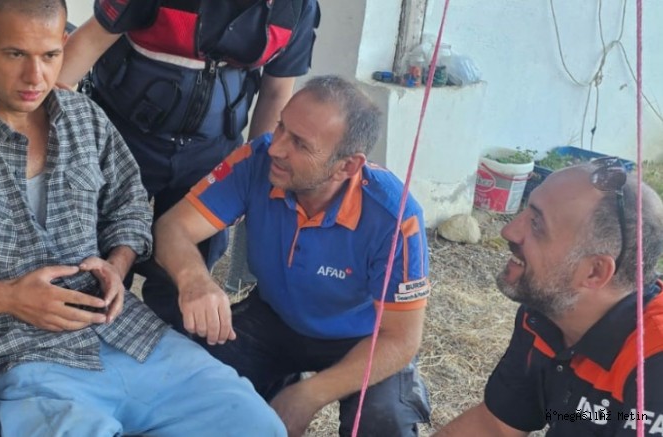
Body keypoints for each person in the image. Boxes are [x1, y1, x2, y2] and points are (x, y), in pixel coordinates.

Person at [0, 1, 285, 436]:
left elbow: (129, 206)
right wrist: (7, 298)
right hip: (9, 359)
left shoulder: (84, 119)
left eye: (50, 55)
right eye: (15, 54)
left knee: (255, 423)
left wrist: (117, 265)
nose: (35, 77)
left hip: (125, 336)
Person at [154, 75, 432, 436]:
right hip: (274, 318)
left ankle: (290, 388)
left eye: (300, 143)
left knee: (384, 419)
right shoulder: (256, 160)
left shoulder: (395, 217)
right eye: (282, 126)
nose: (277, 148)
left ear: (347, 166)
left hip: (361, 339)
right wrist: (194, 280)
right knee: (192, 388)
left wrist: (308, 396)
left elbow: (401, 339)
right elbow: (172, 228)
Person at [55, 0, 320, 325]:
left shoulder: (296, 8)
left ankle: (168, 344)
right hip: (121, 139)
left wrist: (254, 178)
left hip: (211, 152)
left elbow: (276, 92)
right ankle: (89, 331)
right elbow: (84, 49)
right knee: (96, 260)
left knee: (185, 276)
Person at [434, 160, 663, 436]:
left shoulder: (654, 364)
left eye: (536, 224)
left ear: (594, 272)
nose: (508, 231)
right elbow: (495, 426)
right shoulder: (548, 313)